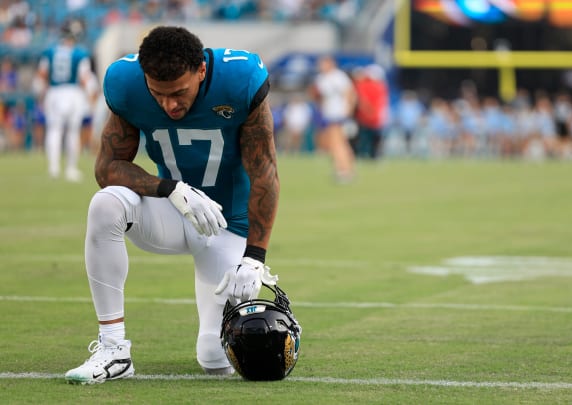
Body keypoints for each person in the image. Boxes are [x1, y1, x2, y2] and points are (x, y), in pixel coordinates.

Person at [64, 26, 280, 384]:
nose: (170, 104)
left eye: (179, 92)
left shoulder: (240, 79)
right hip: (174, 213)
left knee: (215, 355)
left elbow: (265, 172)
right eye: (158, 94)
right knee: (105, 204)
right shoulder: (126, 83)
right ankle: (114, 349)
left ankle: (215, 337)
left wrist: (255, 257)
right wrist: (169, 188)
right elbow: (107, 168)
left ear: (201, 71)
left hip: (229, 224)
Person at [33, 19, 97, 182]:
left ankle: (53, 168)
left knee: (54, 130)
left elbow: (42, 75)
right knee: (72, 131)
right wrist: (91, 96)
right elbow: (84, 78)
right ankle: (70, 169)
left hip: (54, 92)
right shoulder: (80, 53)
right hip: (72, 92)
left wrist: (40, 94)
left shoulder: (50, 52)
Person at [310, 55, 356, 183]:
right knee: (340, 143)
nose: (321, 66)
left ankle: (343, 170)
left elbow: (350, 93)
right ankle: (348, 168)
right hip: (328, 114)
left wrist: (348, 110)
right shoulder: (321, 79)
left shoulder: (338, 77)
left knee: (336, 143)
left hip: (338, 114)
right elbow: (319, 97)